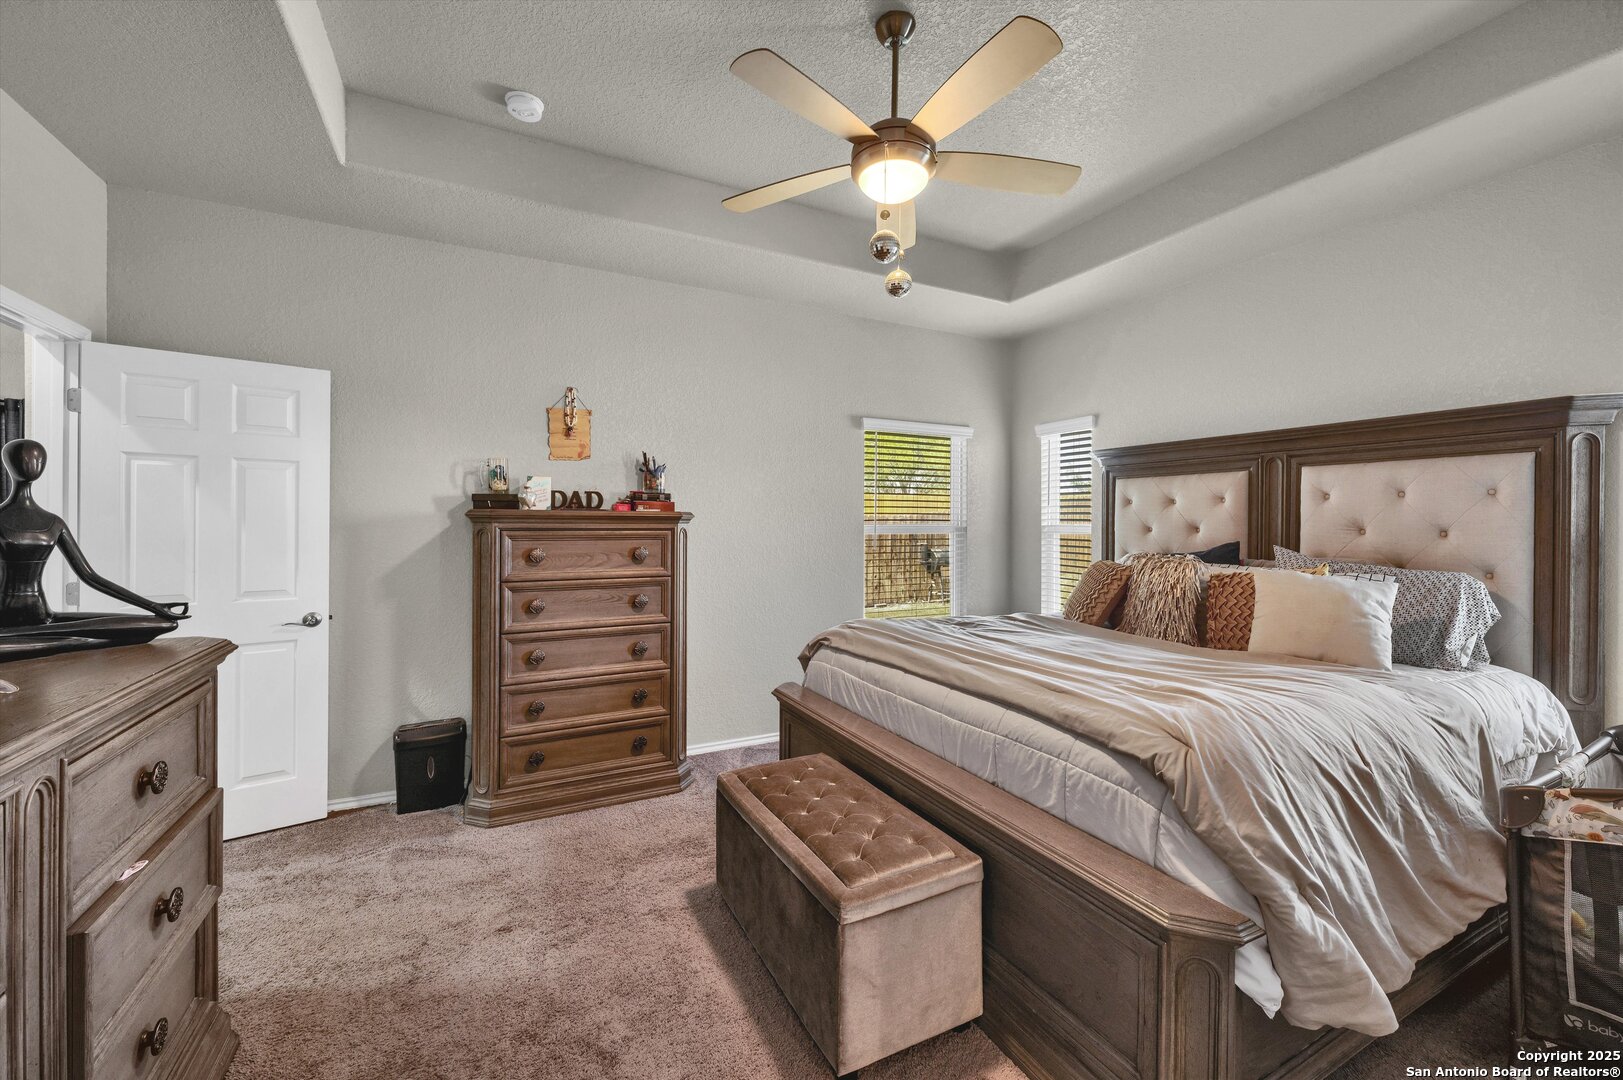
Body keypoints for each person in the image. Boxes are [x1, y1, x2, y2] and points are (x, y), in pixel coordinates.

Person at [0, 438, 187, 661]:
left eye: (38, 459)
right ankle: (56, 640)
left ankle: (51, 640)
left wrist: (153, 606)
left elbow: (90, 576)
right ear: (9, 464)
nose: (32, 464)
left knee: (163, 622)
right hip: (6, 621)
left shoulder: (53, 522)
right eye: (25, 460)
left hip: (45, 617)